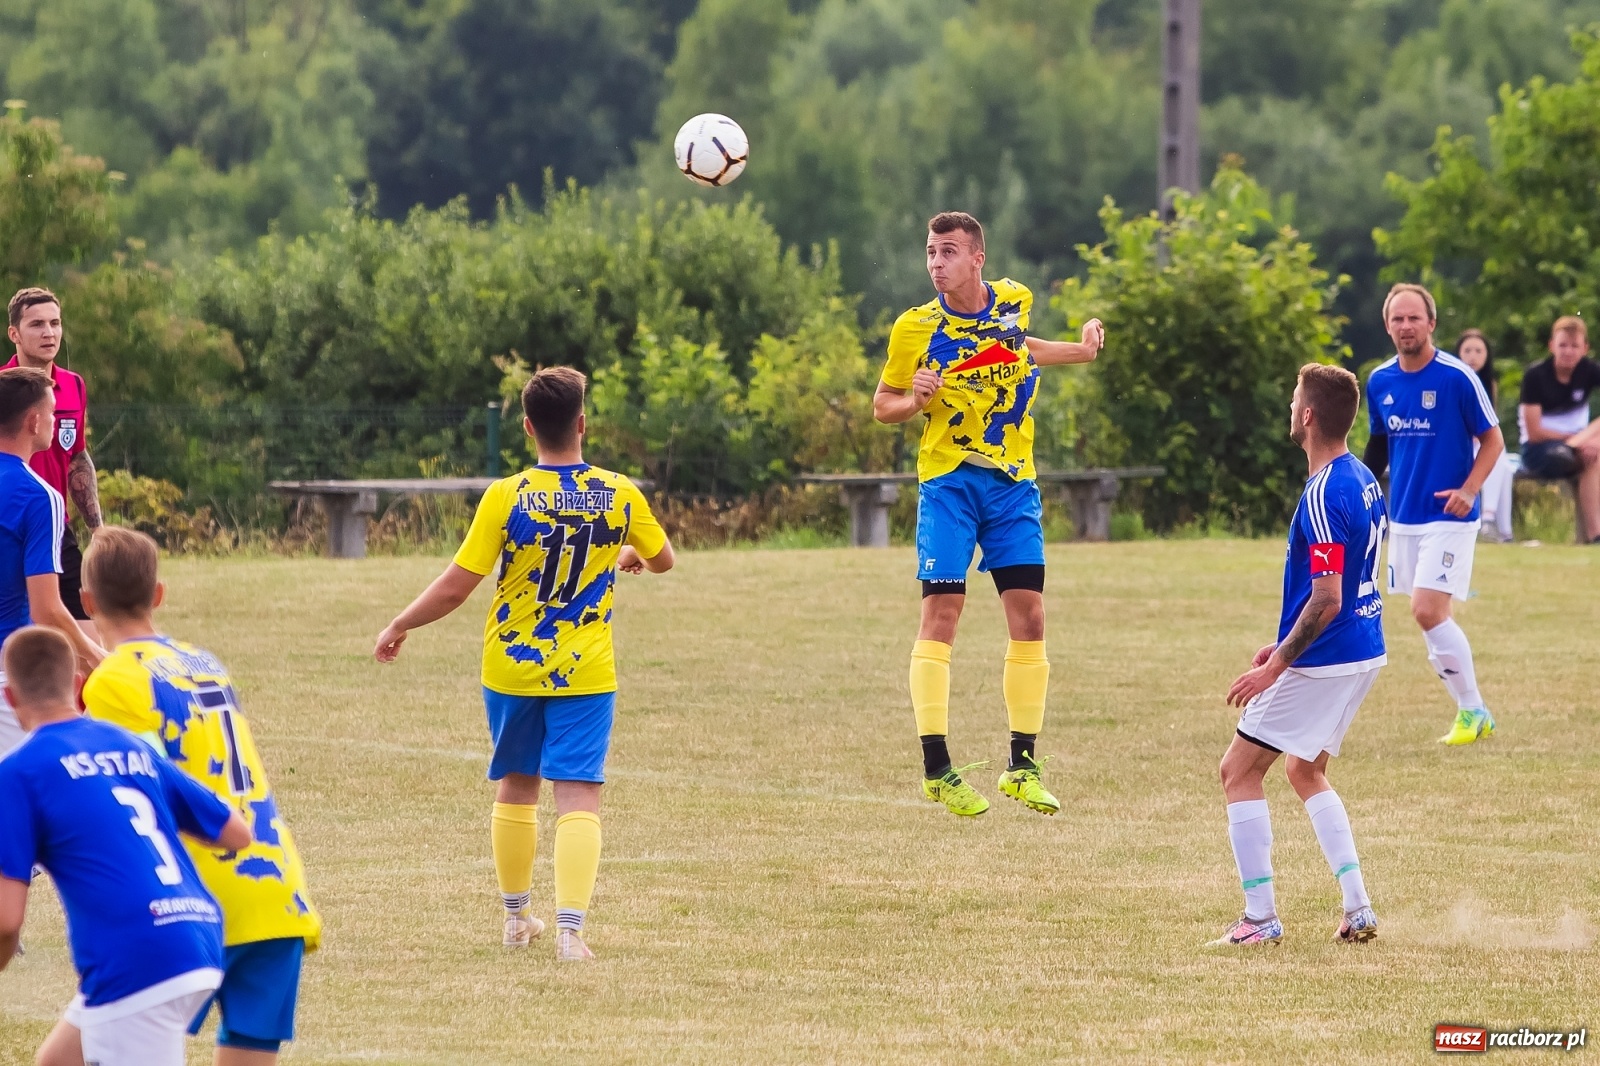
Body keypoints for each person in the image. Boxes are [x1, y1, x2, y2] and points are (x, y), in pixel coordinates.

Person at [375, 367, 673, 961]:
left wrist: (400, 622)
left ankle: (515, 921)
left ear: (529, 427)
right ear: (583, 424)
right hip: (586, 671)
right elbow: (664, 558)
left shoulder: (507, 495)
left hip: (511, 667)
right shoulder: (619, 492)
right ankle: (570, 932)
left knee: (516, 787)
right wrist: (630, 553)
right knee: (579, 794)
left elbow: (457, 587)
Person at [873, 210, 1103, 818]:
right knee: (942, 615)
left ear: (978, 258)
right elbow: (882, 406)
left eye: (948, 252)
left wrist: (1079, 352)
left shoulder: (1014, 301)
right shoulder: (914, 327)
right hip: (949, 484)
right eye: (929, 252)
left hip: (1013, 485)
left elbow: (1016, 349)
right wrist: (913, 401)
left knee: (1030, 616)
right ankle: (937, 770)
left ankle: (1021, 768)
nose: (935, 263)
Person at [67, 526, 320, 1066]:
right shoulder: (204, 661)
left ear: (86, 602)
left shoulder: (113, 681)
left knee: (73, 1054)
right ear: (159, 594)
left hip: (193, 900)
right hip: (274, 890)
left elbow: (119, 794)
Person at [0, 625, 251, 1066]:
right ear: (78, 685)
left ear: (12, 699)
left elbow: (5, 920)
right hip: (199, 931)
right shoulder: (128, 743)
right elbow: (235, 832)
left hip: (137, 956)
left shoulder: (19, 773)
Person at [1211, 364, 1387, 948]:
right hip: (1364, 649)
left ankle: (1259, 918)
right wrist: (1284, 637)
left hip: (1328, 655)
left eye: (1293, 399)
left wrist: (1274, 666)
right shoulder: (1361, 477)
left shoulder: (1323, 492)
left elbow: (1328, 597)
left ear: (1307, 415)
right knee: (1304, 769)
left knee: (1238, 771)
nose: (1291, 406)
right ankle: (1357, 907)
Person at [1363, 283, 1505, 746]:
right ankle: (1472, 710)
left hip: (1449, 516)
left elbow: (1494, 440)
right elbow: (1380, 445)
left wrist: (1469, 490)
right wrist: (1359, 492)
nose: (1406, 326)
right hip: (1404, 517)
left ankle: (1473, 710)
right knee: (1424, 614)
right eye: (1397, 319)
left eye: (1414, 318)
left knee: (1427, 610)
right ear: (1387, 326)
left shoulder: (1458, 377)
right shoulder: (1380, 381)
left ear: (1432, 324)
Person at [1, 367, 105, 757]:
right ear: (33, 421)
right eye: (52, 412)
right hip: (7, 668)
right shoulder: (38, 495)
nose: (56, 420)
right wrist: (98, 658)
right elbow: (46, 609)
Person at [6, 288, 104, 642]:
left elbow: (76, 456)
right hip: (10, 525)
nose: (49, 333)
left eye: (55, 323)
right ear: (14, 334)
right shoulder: (4, 387)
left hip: (55, 527)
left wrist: (98, 529)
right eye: (37, 325)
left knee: (86, 638)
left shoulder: (74, 385)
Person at [1517, 316, 1600, 542]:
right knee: (1580, 457)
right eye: (1563, 345)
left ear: (1585, 349)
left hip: (1581, 446)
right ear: (1552, 346)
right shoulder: (1535, 376)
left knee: (1593, 455)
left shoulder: (1590, 371)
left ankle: (1594, 536)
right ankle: (1594, 534)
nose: (1568, 351)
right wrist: (1574, 441)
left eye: (1574, 346)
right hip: (1541, 450)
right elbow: (1534, 433)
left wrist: (1590, 440)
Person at [1457, 330, 1515, 542]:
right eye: (1468, 350)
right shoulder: (1456, 380)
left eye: (1478, 351)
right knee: (1499, 458)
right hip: (1460, 443)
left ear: (1487, 355)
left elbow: (1491, 426)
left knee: (1505, 466)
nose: (1473, 356)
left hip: (1482, 442)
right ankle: (1489, 519)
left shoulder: (1489, 384)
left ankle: (1504, 531)